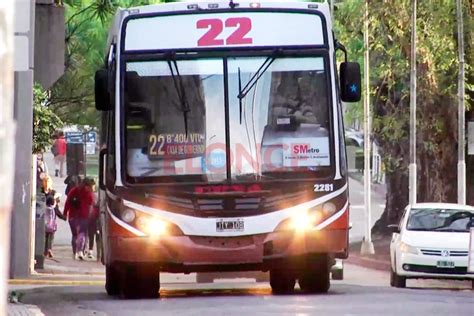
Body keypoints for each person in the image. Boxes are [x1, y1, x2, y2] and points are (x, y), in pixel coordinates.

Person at [63, 177, 96, 260]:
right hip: (82, 216)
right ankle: (79, 251)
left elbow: (68, 202)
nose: (90, 188)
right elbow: (91, 206)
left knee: (76, 235)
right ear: (86, 185)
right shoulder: (89, 193)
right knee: (81, 233)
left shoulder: (74, 191)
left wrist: (65, 213)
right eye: (89, 186)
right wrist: (91, 215)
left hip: (74, 216)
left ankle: (76, 252)